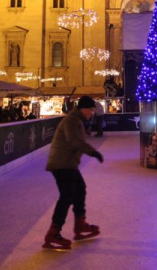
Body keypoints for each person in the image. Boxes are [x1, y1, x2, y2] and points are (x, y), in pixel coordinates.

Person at [43, 96, 103, 250]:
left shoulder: (77, 120)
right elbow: (74, 141)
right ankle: (53, 233)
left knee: (79, 190)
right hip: (62, 163)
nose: (92, 113)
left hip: (67, 163)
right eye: (91, 110)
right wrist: (93, 152)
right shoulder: (72, 120)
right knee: (67, 196)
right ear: (83, 108)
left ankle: (80, 225)